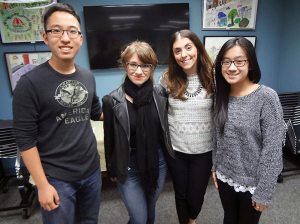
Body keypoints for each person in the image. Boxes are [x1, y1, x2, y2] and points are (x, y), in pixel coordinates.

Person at [13, 3, 102, 224]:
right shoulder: (29, 84)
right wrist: (42, 185)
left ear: (80, 38)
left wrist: (129, 108)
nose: (65, 38)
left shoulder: (87, 76)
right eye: (56, 30)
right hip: (57, 178)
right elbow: (25, 140)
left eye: (72, 31)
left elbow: (96, 112)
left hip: (91, 171)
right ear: (45, 37)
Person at [212, 37, 285, 224]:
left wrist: (264, 191)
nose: (232, 67)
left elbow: (273, 149)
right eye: (226, 61)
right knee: (229, 218)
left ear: (250, 63)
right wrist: (215, 166)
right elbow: (217, 136)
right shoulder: (220, 95)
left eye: (239, 61)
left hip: (253, 183)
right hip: (224, 176)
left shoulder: (267, 97)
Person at [102, 41, 174, 224]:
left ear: (152, 68)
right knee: (140, 218)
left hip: (157, 162)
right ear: (125, 65)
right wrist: (112, 169)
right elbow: (109, 139)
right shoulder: (112, 101)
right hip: (128, 166)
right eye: (133, 65)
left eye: (145, 66)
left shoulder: (161, 95)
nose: (139, 71)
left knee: (149, 212)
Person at [160, 29, 215, 224]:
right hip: (177, 150)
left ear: (198, 48)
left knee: (196, 196)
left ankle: (192, 217)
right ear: (173, 55)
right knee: (180, 194)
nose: (184, 55)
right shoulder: (167, 79)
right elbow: (160, 113)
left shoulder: (213, 77)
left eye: (188, 47)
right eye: (177, 51)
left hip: (203, 150)